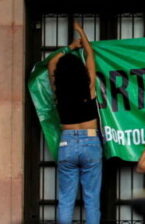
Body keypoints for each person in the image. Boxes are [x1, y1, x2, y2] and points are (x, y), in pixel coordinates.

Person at [47, 22, 103, 224]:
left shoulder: (58, 90)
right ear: (80, 71)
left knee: (66, 200)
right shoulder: (89, 87)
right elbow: (90, 56)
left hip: (67, 142)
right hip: (90, 141)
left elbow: (52, 63)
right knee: (92, 199)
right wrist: (82, 34)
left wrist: (70, 47)